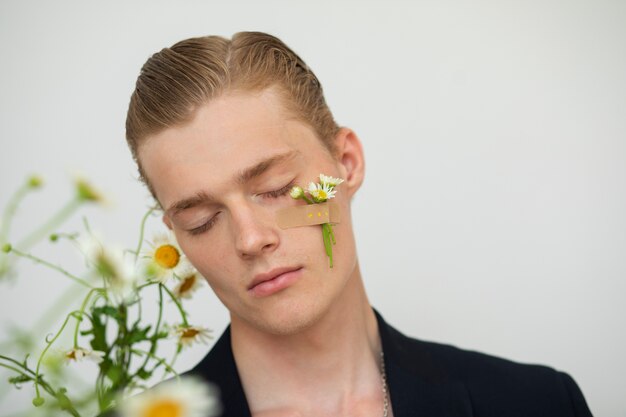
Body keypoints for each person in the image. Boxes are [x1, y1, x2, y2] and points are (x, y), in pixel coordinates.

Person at [124, 31, 592, 416]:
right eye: (202, 221)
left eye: (277, 188)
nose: (250, 239)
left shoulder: (537, 402)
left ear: (345, 164)